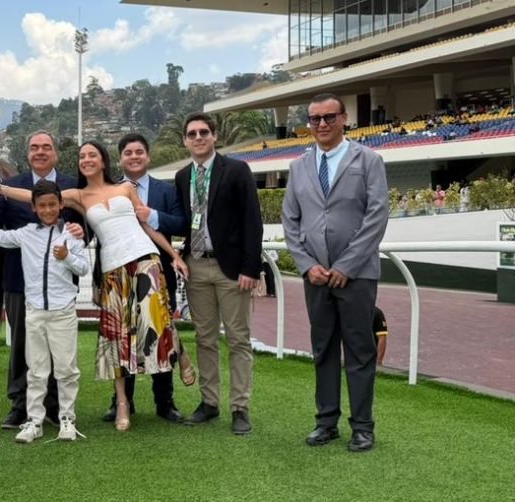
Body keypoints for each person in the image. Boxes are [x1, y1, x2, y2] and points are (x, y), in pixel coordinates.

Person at [0, 140, 192, 432]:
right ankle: (122, 404)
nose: (87, 159)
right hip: (112, 267)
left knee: (156, 318)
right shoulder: (77, 196)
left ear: (103, 160)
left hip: (145, 258)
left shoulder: (125, 188)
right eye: (82, 156)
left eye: (92, 154)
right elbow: (36, 196)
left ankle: (180, 354)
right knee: (117, 337)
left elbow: (147, 225)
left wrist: (174, 255)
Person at [282, 92, 389, 453]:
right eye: (315, 119)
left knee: (360, 350)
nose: (322, 124)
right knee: (323, 349)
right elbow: (291, 222)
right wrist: (306, 265)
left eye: (329, 117)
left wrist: (347, 265)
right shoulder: (298, 167)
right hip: (315, 275)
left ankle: (362, 427)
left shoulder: (368, 160)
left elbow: (377, 216)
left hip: (357, 275)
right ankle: (326, 422)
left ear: (344, 119)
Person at [0, 180, 90, 443]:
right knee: (36, 370)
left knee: (66, 369)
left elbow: (83, 268)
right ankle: (35, 421)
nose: (48, 210)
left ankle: (67, 419)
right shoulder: (26, 233)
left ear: (61, 205)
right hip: (35, 311)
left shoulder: (72, 234)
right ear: (34, 208)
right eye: (42, 206)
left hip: (63, 312)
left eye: (52, 204)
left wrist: (67, 257)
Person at [174, 112, 263, 435]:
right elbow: (184, 220)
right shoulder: (182, 176)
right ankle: (209, 402)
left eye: (203, 132)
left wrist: (251, 267)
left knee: (238, 339)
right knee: (204, 338)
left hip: (232, 270)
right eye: (192, 134)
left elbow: (252, 220)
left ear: (215, 136)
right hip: (196, 265)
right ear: (185, 141)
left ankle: (240, 407)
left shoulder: (236, 170)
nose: (198, 138)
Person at [0, 131, 80, 429]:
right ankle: (19, 404)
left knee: (58, 347)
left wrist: (79, 234)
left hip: (60, 283)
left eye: (46, 147)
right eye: (34, 147)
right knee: (21, 344)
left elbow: (84, 225)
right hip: (19, 279)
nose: (40, 152)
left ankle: (54, 406)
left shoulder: (72, 185)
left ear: (55, 152)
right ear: (27, 153)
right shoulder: (10, 185)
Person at [103, 132, 191, 424]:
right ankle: (122, 402)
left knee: (161, 337)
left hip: (158, 275)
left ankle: (165, 402)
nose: (134, 157)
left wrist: (152, 215)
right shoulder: (109, 191)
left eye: (139, 151)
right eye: (128, 152)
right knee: (124, 338)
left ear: (148, 156)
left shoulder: (166, 191)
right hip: (121, 276)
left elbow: (181, 224)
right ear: (120, 158)